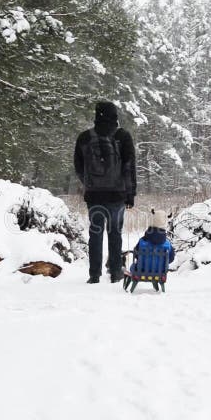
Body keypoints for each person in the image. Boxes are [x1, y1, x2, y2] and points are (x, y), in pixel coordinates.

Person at [74, 101, 136, 284]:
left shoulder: (84, 137)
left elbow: (78, 166)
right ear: (115, 116)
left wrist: (89, 183)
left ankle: (94, 275)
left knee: (95, 233)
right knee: (115, 232)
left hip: (94, 196)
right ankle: (116, 272)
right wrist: (130, 194)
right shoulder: (123, 136)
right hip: (117, 195)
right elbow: (129, 167)